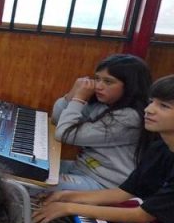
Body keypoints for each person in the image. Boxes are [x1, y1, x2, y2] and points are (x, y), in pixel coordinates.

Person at [32, 74, 174, 223]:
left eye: (164, 106)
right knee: (38, 206)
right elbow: (124, 191)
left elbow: (142, 216)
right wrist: (69, 196)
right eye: (151, 102)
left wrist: (69, 207)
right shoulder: (161, 148)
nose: (149, 110)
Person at [50, 54, 151, 191]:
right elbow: (57, 120)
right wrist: (72, 94)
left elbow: (64, 134)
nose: (98, 86)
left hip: (103, 184)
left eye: (108, 82)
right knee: (21, 172)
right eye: (97, 79)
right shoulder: (102, 104)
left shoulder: (130, 117)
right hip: (80, 169)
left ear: (130, 86)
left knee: (32, 185)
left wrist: (79, 99)